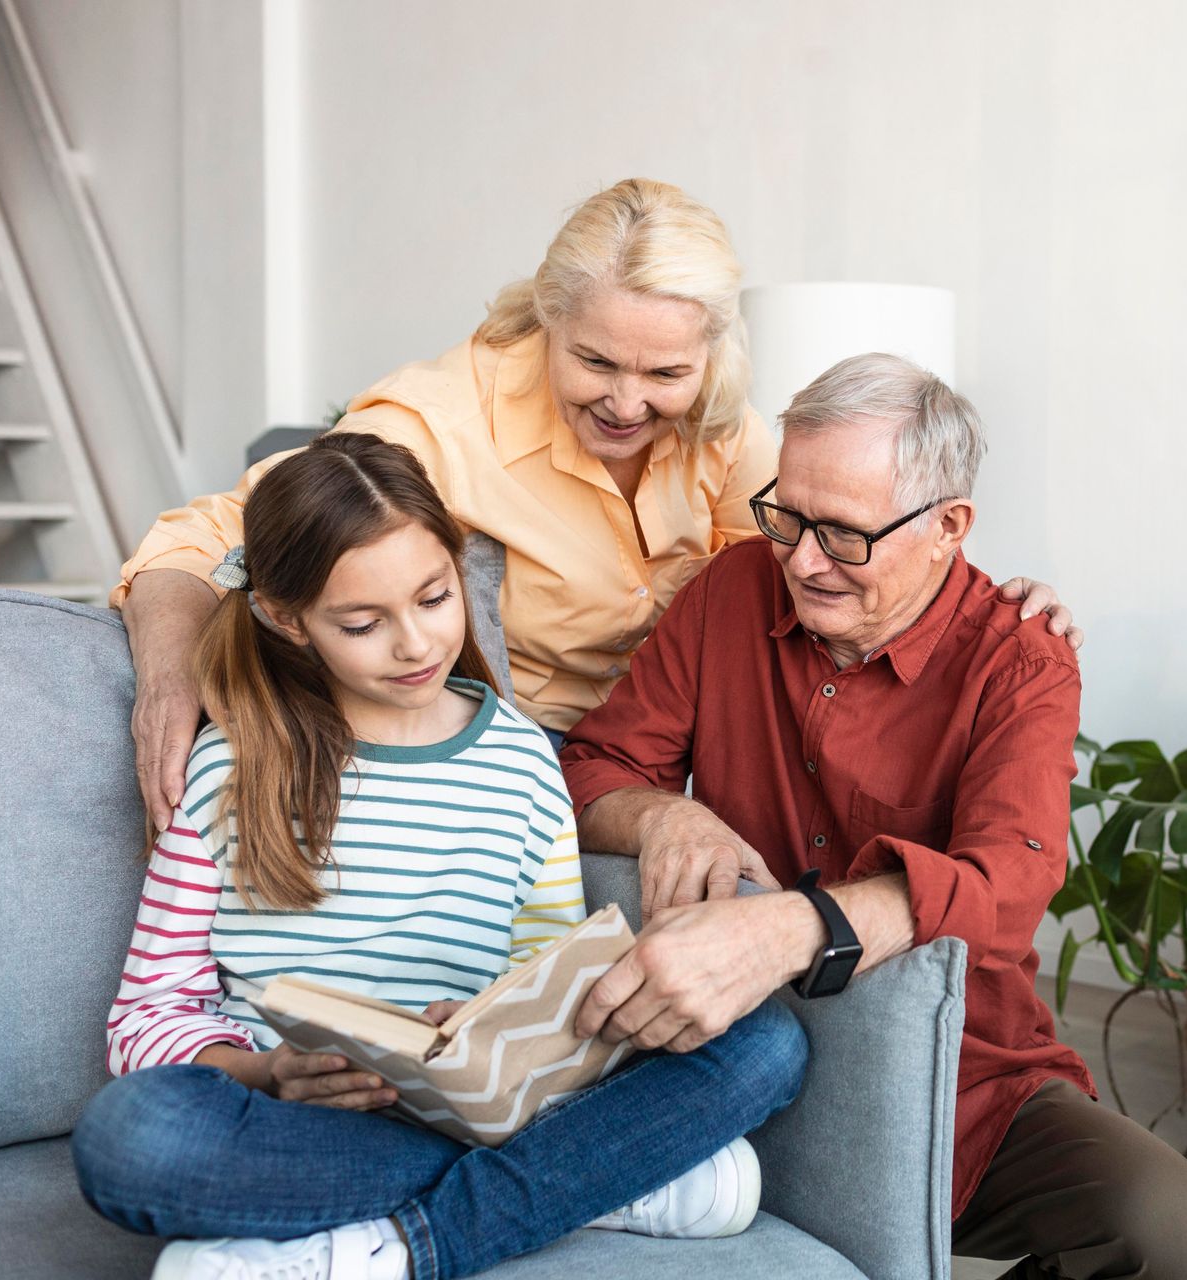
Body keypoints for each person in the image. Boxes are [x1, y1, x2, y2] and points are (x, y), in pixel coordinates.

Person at [114, 177, 1081, 836]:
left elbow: (840, 550)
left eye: (665, 369)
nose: (627, 403)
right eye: (594, 362)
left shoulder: (728, 427)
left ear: (710, 354)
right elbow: (204, 539)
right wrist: (167, 674)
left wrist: (970, 597)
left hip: (678, 763)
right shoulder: (443, 419)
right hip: (516, 776)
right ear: (549, 320)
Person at [72, 434, 807, 1280]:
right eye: (362, 623)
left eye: (433, 598)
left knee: (766, 1042)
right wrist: (269, 1072)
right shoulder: (229, 766)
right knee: (130, 1137)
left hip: (487, 1104)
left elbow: (546, 971)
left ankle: (400, 1246)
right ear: (286, 619)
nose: (416, 644)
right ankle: (595, 1180)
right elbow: (147, 1013)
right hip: (307, 1122)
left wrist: (496, 1023)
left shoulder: (526, 764)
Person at [557, 355, 1187, 1278]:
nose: (800, 559)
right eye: (786, 515)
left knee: (1159, 1226)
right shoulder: (731, 592)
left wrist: (798, 929)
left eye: (842, 534)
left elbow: (1008, 881)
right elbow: (595, 761)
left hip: (955, 1066)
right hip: (730, 1039)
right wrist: (665, 819)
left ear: (949, 526)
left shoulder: (1021, 660)